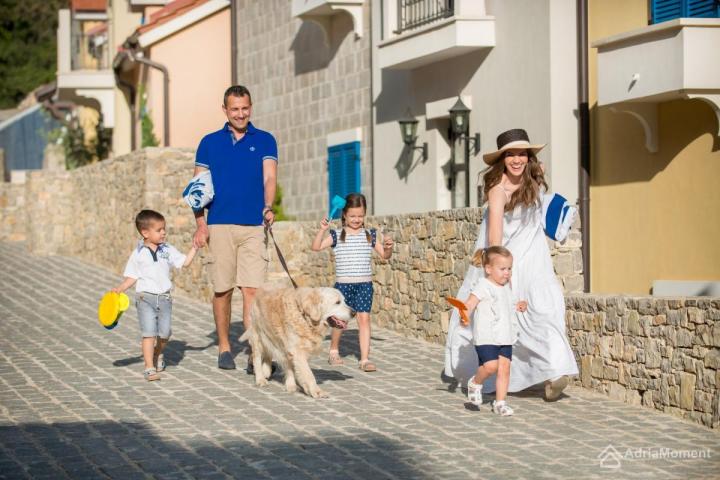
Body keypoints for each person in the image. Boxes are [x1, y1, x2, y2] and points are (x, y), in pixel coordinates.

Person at [444, 128, 579, 400]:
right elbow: (494, 236)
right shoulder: (498, 191)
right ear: (502, 159)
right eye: (511, 155)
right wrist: (497, 271)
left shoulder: (533, 183)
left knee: (545, 311)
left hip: (535, 260)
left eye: (522, 154)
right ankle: (496, 373)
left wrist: (537, 171)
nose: (517, 159)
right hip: (508, 261)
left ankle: (555, 371)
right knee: (503, 318)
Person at [191, 85, 278, 373]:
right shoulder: (209, 143)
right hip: (219, 225)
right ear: (225, 110)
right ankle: (225, 347)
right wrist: (200, 223)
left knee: (252, 291)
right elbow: (197, 189)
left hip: (254, 225)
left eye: (245, 108)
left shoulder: (265, 140)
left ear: (250, 107)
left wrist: (268, 205)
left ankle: (255, 352)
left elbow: (269, 178)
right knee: (222, 290)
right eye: (235, 109)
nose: (241, 114)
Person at [311, 193, 393, 372]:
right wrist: (322, 229)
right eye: (353, 216)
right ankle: (333, 350)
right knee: (340, 320)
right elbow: (316, 247)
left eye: (360, 216)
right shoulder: (337, 235)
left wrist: (388, 248)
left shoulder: (369, 235)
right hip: (343, 286)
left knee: (364, 319)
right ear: (344, 216)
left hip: (364, 284)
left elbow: (385, 256)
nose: (357, 219)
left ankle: (364, 359)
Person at [112, 209, 198, 381]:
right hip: (145, 298)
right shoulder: (137, 254)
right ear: (145, 232)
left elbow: (185, 263)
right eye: (159, 230)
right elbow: (132, 276)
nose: (163, 232)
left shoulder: (168, 249)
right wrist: (120, 288)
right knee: (148, 333)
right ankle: (149, 367)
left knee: (165, 334)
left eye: (164, 229)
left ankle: (157, 355)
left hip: (164, 298)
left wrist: (195, 247)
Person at [461, 246, 527, 416]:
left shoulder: (506, 286)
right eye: (503, 269)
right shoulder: (483, 285)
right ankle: (476, 382)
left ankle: (500, 402)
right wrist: (465, 315)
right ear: (488, 269)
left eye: (509, 268)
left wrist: (518, 305)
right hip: (487, 335)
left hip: (505, 334)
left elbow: (508, 304)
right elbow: (470, 303)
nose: (507, 273)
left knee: (504, 369)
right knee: (491, 367)